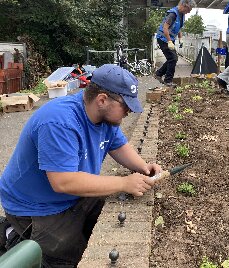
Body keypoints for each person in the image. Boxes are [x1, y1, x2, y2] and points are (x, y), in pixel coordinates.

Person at [0, 64, 162, 267]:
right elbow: (63, 183)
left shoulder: (105, 118)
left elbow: (119, 146)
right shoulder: (59, 121)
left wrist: (144, 168)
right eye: (126, 105)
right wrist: (123, 183)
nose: (129, 111)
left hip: (73, 193)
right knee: (67, 258)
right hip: (38, 206)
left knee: (102, 223)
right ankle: (14, 233)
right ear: (102, 99)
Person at [154, 0, 196, 87]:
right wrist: (169, 42)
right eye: (188, 9)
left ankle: (158, 74)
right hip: (163, 38)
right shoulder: (172, 14)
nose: (189, 12)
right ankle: (168, 80)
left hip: (170, 39)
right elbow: (165, 28)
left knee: (172, 58)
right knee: (173, 58)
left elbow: (179, 28)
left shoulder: (181, 14)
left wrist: (180, 38)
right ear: (183, 5)